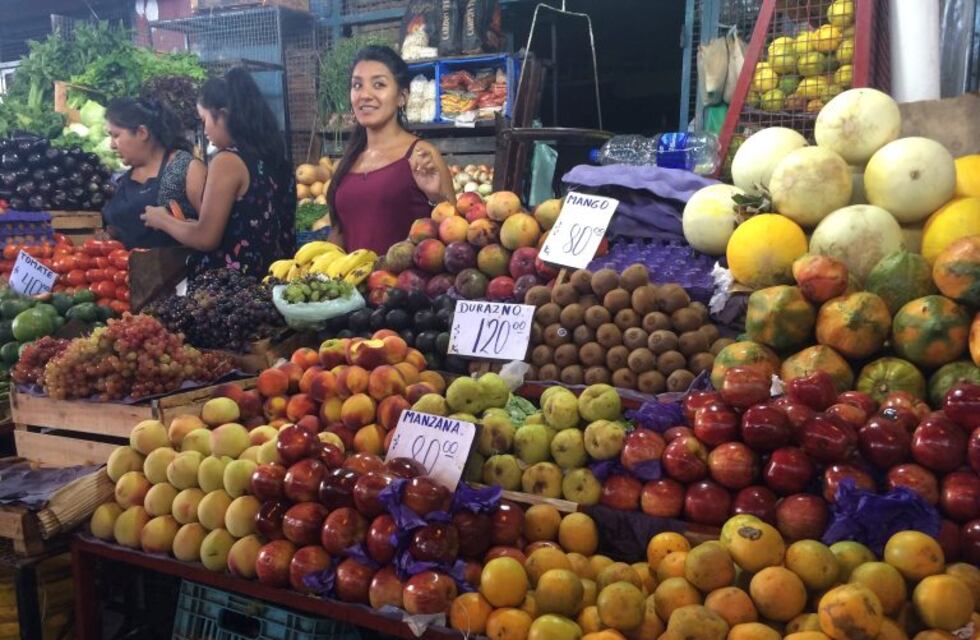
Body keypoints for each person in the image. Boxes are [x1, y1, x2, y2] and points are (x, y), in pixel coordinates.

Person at [142, 67, 295, 277]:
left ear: (222, 116)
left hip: (234, 288)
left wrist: (162, 219)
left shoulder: (227, 161)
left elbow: (205, 238)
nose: (205, 131)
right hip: (276, 282)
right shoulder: (276, 160)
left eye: (204, 120)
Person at [327, 45, 455, 254]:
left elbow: (454, 234)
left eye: (378, 84)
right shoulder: (348, 161)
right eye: (357, 85)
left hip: (403, 275)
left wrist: (435, 197)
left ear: (402, 96)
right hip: (352, 275)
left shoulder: (421, 155)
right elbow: (339, 231)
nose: (365, 95)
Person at [102, 98, 205, 249]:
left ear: (142, 132)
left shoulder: (185, 168)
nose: (112, 145)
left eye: (116, 135)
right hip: (124, 263)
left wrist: (168, 222)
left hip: (177, 264)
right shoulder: (123, 178)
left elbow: (210, 232)